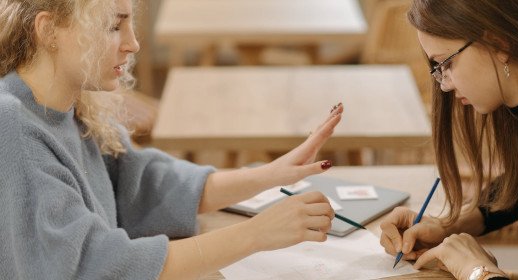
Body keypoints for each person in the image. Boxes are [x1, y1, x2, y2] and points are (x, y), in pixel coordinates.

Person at [0, 0, 344, 279]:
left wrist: (270, 175)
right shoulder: (13, 129)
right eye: (112, 25)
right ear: (48, 31)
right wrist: (255, 235)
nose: (133, 43)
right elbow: (91, 267)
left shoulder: (72, 106)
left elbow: (140, 184)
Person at [379, 0, 518, 279]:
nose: (445, 84)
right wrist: (446, 226)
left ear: (500, 45)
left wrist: (476, 269)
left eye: (446, 63)